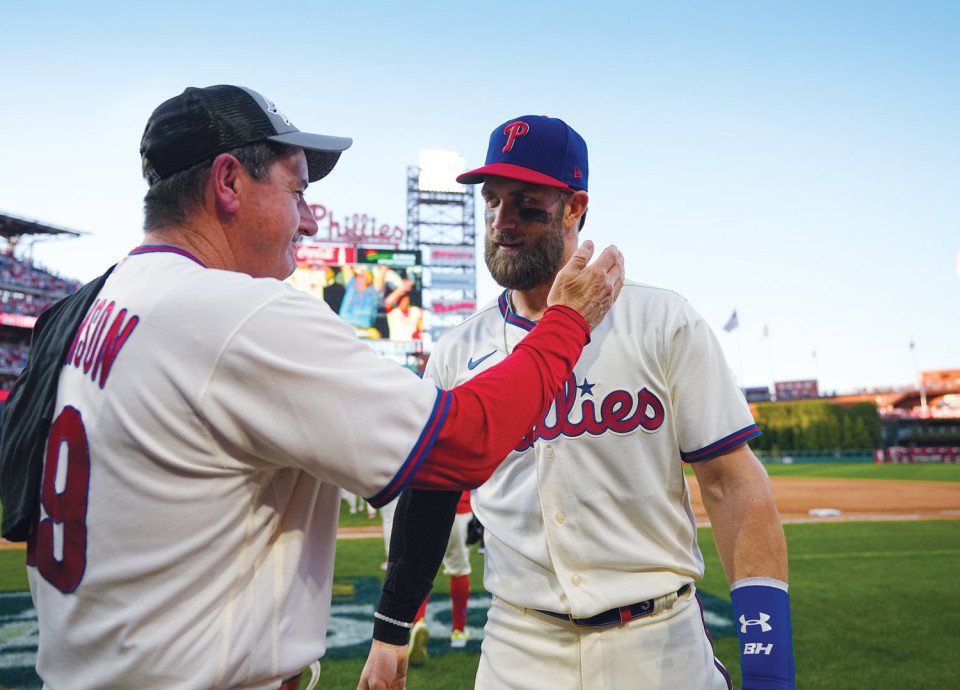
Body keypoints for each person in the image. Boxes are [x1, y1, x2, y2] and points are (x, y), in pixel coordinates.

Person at [0, 89, 625, 690]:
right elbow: (464, 441)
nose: (309, 216)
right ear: (228, 183)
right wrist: (567, 321)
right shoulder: (235, 312)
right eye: (297, 189)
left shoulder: (93, 303)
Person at [358, 116, 795, 690]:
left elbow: (733, 483)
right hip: (519, 645)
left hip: (660, 643)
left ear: (575, 207)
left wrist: (769, 663)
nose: (501, 223)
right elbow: (432, 499)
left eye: (526, 204)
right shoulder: (456, 351)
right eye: (491, 204)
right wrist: (391, 632)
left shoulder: (660, 320)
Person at [405, 489, 474, 667]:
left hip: (426, 502)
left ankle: (418, 622)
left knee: (421, 569)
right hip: (460, 504)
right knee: (459, 570)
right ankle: (458, 630)